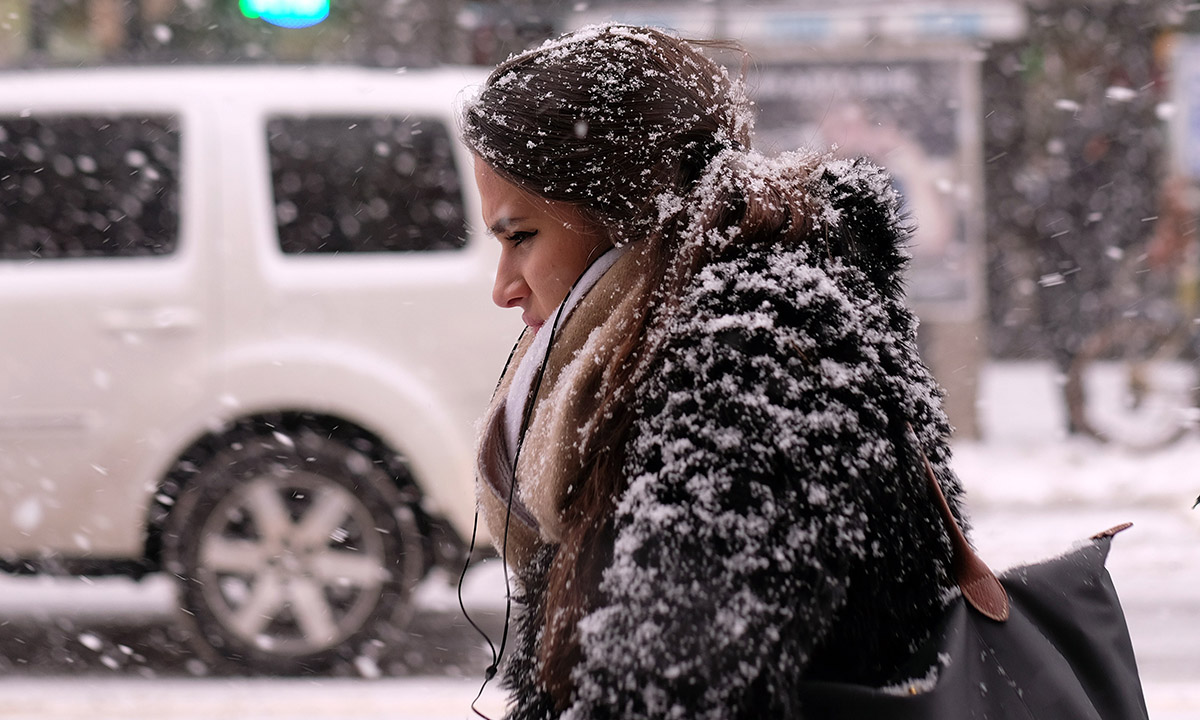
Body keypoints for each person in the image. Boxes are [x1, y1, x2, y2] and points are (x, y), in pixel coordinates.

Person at [461, 24, 966, 720]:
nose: (504, 288)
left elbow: (674, 690)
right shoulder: (707, 332)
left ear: (628, 211)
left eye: (521, 236)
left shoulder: (755, 356)